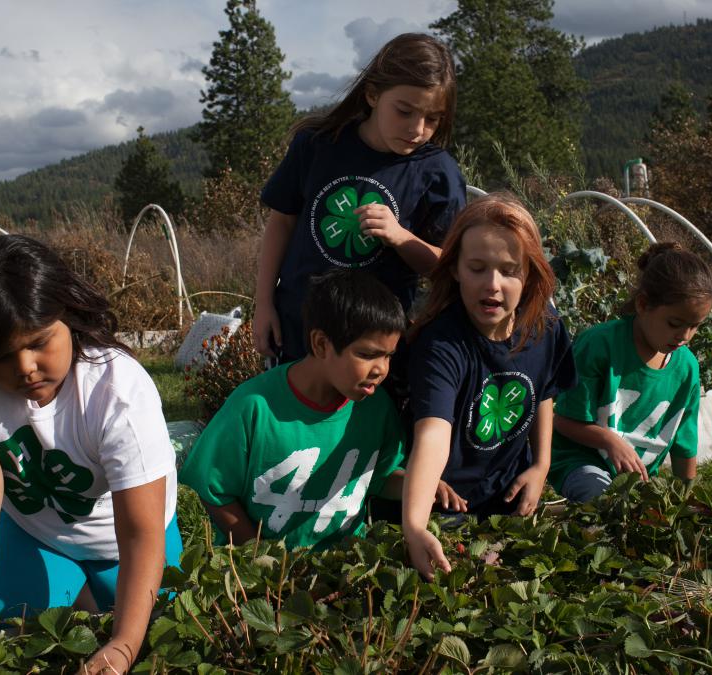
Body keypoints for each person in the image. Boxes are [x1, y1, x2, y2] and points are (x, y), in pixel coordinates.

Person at [0, 235, 180, 675]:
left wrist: (123, 643)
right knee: (8, 626)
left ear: (69, 316)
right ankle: (76, 590)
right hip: (34, 533)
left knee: (160, 632)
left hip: (120, 543)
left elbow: (140, 531)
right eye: (2, 356)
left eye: (40, 342)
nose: (25, 367)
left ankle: (93, 593)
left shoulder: (118, 391)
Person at [255, 32, 466, 363]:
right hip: (300, 330)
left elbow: (449, 265)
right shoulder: (317, 144)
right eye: (405, 111)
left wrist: (400, 237)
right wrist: (264, 304)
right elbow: (281, 222)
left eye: (432, 118)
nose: (417, 128)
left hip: (378, 349)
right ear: (372, 95)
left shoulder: (438, 173)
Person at [400, 195, 577, 580]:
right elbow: (433, 432)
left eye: (509, 271)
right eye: (477, 268)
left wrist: (541, 466)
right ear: (456, 269)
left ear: (529, 273)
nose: (492, 285)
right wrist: (414, 525)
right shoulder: (440, 344)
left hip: (507, 500)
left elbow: (543, 391)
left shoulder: (544, 327)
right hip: (445, 506)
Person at [180, 269, 408, 550]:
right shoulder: (255, 406)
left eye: (388, 356)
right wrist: (258, 557)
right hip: (263, 584)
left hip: (343, 573)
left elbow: (380, 476)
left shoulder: (377, 409)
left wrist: (420, 486)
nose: (381, 369)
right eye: (367, 354)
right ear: (321, 343)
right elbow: (212, 489)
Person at [548, 242, 712, 503]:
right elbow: (562, 421)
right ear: (642, 304)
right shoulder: (599, 346)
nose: (684, 336)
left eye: (695, 326)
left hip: (636, 480)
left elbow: (685, 444)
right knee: (603, 505)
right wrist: (609, 441)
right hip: (581, 463)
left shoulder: (687, 369)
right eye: (674, 323)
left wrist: (686, 500)